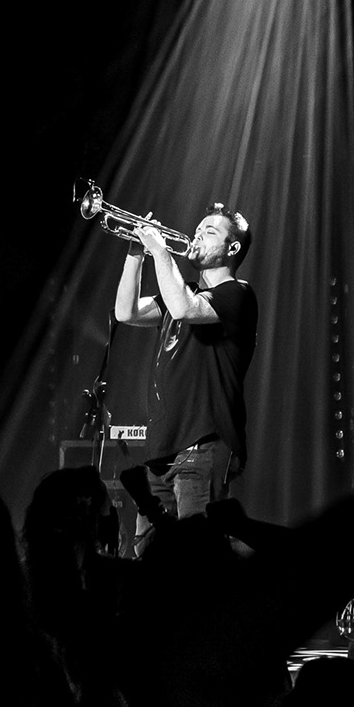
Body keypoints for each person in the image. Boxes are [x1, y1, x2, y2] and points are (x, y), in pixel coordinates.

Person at [114, 203, 258, 523]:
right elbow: (126, 312)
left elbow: (184, 308)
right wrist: (136, 253)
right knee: (149, 549)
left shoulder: (238, 294)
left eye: (210, 232)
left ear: (232, 248)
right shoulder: (183, 291)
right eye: (197, 230)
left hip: (203, 444)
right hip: (163, 451)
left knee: (197, 549)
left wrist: (160, 251)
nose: (197, 236)